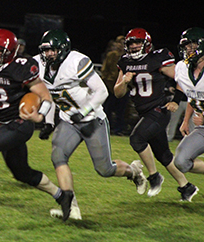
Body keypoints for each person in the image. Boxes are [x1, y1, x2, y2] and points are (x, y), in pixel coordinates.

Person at [34, 29, 148, 220]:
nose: (48, 55)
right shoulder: (38, 64)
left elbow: (102, 91)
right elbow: (49, 94)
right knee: (58, 157)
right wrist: (47, 121)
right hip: (68, 119)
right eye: (45, 50)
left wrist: (84, 112)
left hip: (92, 119)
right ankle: (71, 207)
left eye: (51, 50)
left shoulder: (76, 62)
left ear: (62, 49)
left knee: (105, 169)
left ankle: (133, 171)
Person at [0, 28, 74, 221]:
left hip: (21, 123)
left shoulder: (21, 67)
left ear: (8, 52)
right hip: (5, 123)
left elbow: (46, 97)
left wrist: (39, 117)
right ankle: (62, 196)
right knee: (22, 173)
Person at [114, 27, 198, 201]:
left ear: (146, 44)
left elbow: (182, 78)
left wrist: (176, 100)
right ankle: (186, 187)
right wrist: (124, 81)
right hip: (144, 113)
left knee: (136, 139)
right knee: (163, 155)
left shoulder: (157, 59)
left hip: (159, 110)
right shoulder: (124, 62)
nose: (135, 46)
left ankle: (154, 177)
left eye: (138, 42)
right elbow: (117, 93)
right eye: (131, 43)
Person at [173, 27, 204, 200]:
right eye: (186, 47)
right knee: (181, 161)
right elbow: (193, 95)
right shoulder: (183, 69)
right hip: (202, 127)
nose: (188, 51)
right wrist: (186, 120)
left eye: (192, 46)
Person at [101, 35, 129, 136]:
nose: (120, 45)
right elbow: (104, 70)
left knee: (121, 111)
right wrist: (107, 83)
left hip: (123, 87)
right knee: (107, 109)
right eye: (119, 43)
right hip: (110, 86)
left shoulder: (128, 57)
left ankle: (119, 129)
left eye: (123, 43)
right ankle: (106, 128)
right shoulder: (111, 55)